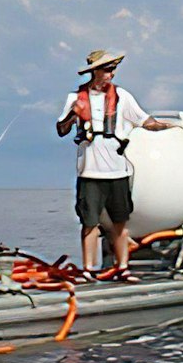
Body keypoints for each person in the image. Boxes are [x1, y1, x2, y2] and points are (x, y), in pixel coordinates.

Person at [55, 50, 174, 280]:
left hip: (118, 171)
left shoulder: (122, 96)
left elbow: (144, 120)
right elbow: (61, 129)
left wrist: (162, 127)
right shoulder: (75, 98)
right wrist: (73, 114)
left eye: (113, 68)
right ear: (94, 72)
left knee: (120, 223)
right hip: (89, 172)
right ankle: (89, 269)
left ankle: (122, 268)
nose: (111, 73)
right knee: (90, 223)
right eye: (107, 69)